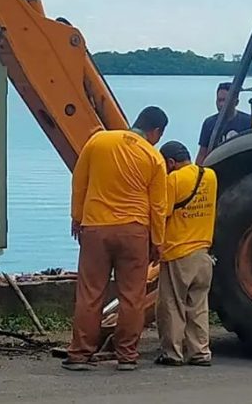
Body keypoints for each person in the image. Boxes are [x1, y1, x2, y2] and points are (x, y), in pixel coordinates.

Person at [64, 106, 169, 372]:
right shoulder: (153, 157)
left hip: (96, 228)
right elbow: (158, 206)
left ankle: (80, 354)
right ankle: (126, 356)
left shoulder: (98, 141)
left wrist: (77, 217)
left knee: (90, 293)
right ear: (155, 131)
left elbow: (80, 182)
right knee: (132, 296)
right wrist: (158, 240)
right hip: (134, 231)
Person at [155, 141, 216, 368]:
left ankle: (173, 353)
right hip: (204, 253)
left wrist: (155, 245)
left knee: (172, 304)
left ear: (171, 162)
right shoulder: (210, 176)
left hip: (178, 251)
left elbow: (163, 214)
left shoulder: (173, 180)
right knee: (199, 305)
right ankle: (200, 352)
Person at [195, 82, 252, 165]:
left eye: (225, 101)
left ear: (236, 102)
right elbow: (202, 153)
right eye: (219, 100)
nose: (221, 104)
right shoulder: (209, 123)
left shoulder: (248, 121)